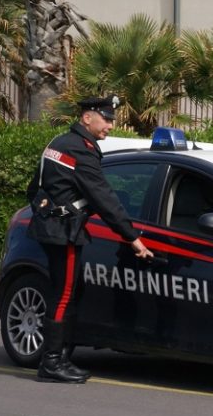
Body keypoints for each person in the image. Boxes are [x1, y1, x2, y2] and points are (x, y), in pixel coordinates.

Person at [26, 95, 154, 384]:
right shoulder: (81, 150)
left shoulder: (58, 143)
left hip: (52, 227)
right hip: (65, 232)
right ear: (87, 118)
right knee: (63, 295)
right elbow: (104, 198)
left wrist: (47, 214)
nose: (111, 124)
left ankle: (59, 357)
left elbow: (34, 189)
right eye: (106, 119)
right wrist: (132, 238)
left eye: (111, 119)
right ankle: (52, 362)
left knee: (64, 292)